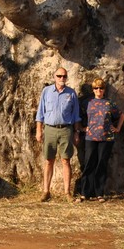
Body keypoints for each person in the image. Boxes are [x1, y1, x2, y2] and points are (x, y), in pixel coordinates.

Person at [34, 66, 81, 202]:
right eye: (59, 76)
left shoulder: (71, 93)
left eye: (64, 76)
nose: (62, 78)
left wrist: (77, 132)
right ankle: (46, 191)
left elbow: (76, 115)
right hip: (50, 129)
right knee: (49, 160)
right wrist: (38, 130)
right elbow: (40, 112)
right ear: (54, 77)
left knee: (66, 160)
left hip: (66, 130)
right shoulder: (47, 91)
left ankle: (67, 193)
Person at [78, 77, 123, 201]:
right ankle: (85, 192)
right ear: (93, 89)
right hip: (90, 137)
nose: (99, 90)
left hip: (106, 138)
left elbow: (121, 115)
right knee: (89, 164)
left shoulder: (109, 103)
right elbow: (78, 116)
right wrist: (81, 128)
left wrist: (117, 128)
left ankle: (99, 193)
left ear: (104, 89)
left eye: (101, 88)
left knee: (101, 165)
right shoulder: (87, 103)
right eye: (96, 88)